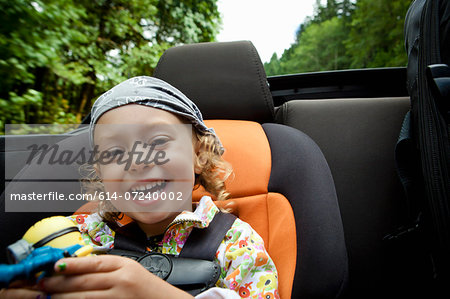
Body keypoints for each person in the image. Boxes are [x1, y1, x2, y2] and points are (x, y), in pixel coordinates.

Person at [0, 76, 278, 299]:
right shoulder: (80, 233)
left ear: (199, 155)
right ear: (101, 174)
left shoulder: (237, 246)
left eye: (157, 142)